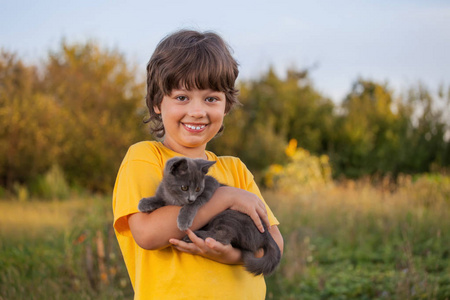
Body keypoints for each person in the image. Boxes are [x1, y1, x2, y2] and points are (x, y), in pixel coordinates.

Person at [112, 29, 284, 300]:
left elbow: (273, 244)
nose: (197, 111)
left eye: (211, 98)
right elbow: (147, 234)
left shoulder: (235, 169)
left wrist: (231, 255)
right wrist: (225, 197)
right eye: (182, 97)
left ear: (226, 106)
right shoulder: (145, 157)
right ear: (158, 102)